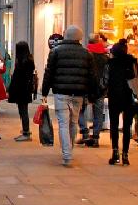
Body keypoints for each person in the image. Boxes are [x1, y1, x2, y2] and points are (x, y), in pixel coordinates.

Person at [41, 26, 97, 167]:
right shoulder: (87, 54)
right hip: (78, 94)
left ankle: (67, 154)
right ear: (80, 37)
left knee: (63, 124)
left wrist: (44, 91)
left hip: (61, 92)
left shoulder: (55, 51)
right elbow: (92, 77)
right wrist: (92, 95)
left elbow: (49, 73)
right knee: (73, 122)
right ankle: (69, 150)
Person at [105, 40, 137, 165]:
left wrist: (100, 92)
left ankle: (115, 152)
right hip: (128, 97)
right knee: (127, 126)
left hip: (114, 96)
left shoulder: (110, 63)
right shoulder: (132, 62)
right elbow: (137, 80)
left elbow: (104, 80)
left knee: (114, 124)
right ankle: (125, 155)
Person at [77, 34, 109, 148]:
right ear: (98, 42)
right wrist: (104, 86)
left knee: (80, 110)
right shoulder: (105, 57)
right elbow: (107, 74)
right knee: (98, 113)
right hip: (100, 89)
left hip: (86, 87)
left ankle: (85, 133)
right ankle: (95, 138)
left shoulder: (85, 55)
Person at [7, 41, 35, 142]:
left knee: (23, 111)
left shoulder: (24, 62)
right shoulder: (28, 60)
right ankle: (25, 130)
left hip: (22, 90)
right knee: (23, 111)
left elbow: (19, 78)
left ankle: (26, 132)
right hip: (24, 90)